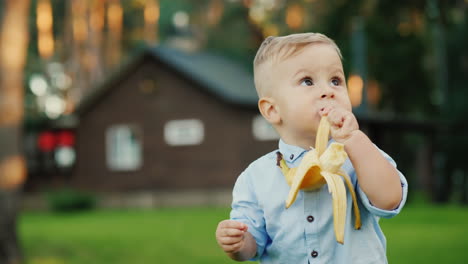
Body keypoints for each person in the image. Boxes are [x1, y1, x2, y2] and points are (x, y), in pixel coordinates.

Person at [215, 33, 408, 263]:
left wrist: (355, 139)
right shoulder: (256, 178)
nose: (329, 91)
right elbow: (252, 246)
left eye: (336, 80)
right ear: (272, 110)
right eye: (308, 81)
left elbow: (389, 199)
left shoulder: (358, 155)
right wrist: (238, 242)